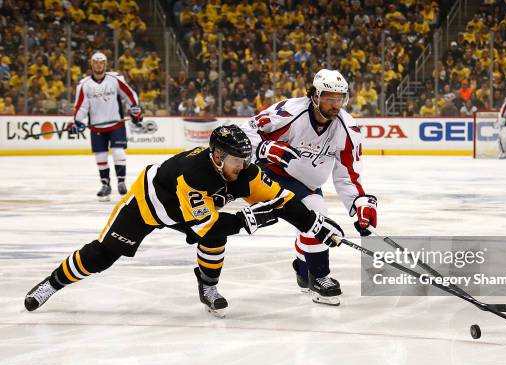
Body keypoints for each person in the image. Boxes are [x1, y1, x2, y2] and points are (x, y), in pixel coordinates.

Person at [24, 125, 344, 317]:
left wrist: (315, 225)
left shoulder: (245, 172)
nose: (243, 166)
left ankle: (208, 288)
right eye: (236, 160)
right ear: (217, 156)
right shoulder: (196, 174)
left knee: (216, 238)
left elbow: (282, 201)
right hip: (148, 206)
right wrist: (249, 220)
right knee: (102, 254)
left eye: (245, 160)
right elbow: (207, 225)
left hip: (189, 212)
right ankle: (50, 284)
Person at [241, 69, 377, 306]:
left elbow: (347, 175)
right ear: (314, 95)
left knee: (310, 220)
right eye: (329, 97)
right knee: (316, 214)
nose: (335, 104)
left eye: (339, 98)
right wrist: (264, 148)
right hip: (270, 174)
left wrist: (359, 203)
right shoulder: (289, 112)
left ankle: (304, 271)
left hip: (307, 182)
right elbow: (245, 132)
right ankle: (319, 277)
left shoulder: (348, 129)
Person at [71, 51, 143, 201]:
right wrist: (77, 121)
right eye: (95, 62)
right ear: (91, 64)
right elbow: (82, 107)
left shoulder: (115, 79)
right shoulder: (84, 85)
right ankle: (105, 184)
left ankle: (121, 182)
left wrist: (135, 109)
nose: (98, 64)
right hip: (97, 127)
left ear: (105, 64)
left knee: (118, 153)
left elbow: (129, 95)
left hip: (116, 124)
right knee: (101, 156)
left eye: (101, 62)